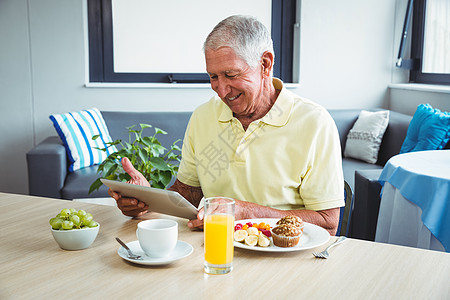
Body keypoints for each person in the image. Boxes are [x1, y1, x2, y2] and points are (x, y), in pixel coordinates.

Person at [108, 15, 344, 235]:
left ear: (265, 64)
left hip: (285, 259)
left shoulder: (315, 123)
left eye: (231, 75)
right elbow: (188, 193)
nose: (221, 90)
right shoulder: (203, 117)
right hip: (215, 252)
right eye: (213, 77)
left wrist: (246, 214)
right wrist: (145, 202)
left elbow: (327, 223)